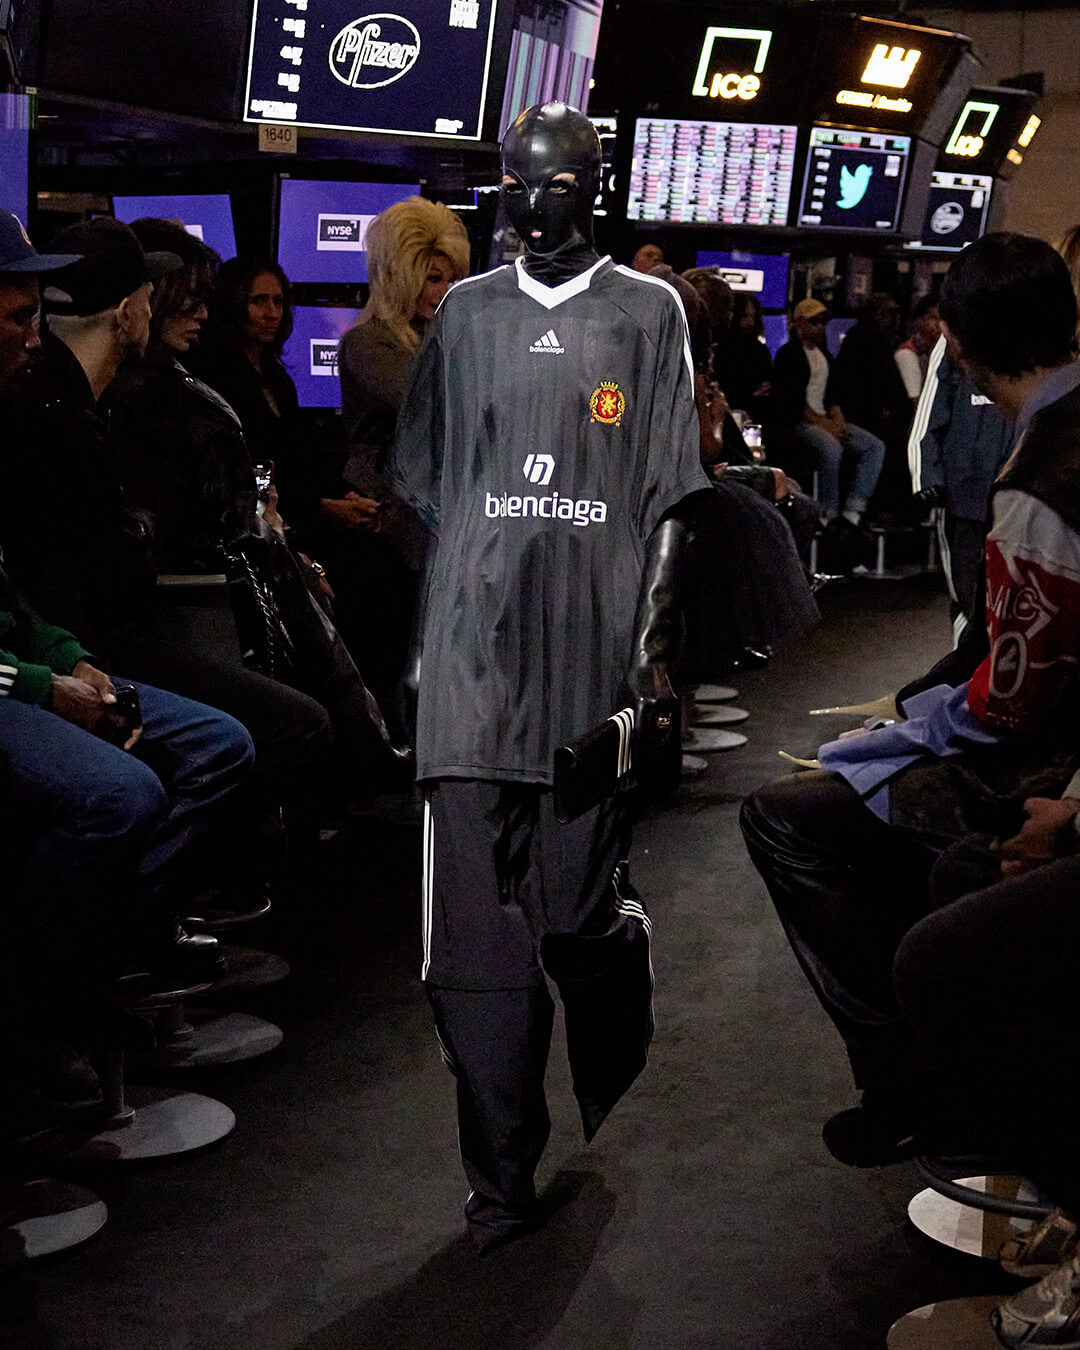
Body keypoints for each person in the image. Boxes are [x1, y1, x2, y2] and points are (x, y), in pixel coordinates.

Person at [389, 102, 710, 1251]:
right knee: (473, 950)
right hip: (473, 670)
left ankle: (614, 958)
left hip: (588, 665)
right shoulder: (467, 315)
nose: (532, 207)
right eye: (515, 185)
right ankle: (500, 1180)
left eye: (557, 186)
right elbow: (429, 481)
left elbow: (672, 495)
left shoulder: (649, 312)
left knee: (574, 915)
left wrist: (651, 654)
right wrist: (442, 624)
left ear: (595, 189)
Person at [740, 233, 1080, 1168]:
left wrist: (901, 729)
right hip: (1052, 743)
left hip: (1044, 765)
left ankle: (914, 1084)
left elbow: (1011, 704)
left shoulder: (1039, 483)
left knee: (789, 815)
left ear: (957, 346)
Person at [335, 199, 470, 712]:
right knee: (392, 661)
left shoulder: (446, 339)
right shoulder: (366, 343)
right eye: (433, 278)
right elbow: (430, 406)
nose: (444, 291)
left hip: (435, 520)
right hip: (387, 525)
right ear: (401, 277)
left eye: (451, 279)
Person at [908, 332, 1014, 636]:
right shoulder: (957, 330)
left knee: (1016, 593)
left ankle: (1001, 660)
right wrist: (924, 473)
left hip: (1016, 491)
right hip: (964, 492)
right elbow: (930, 406)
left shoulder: (1035, 328)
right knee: (966, 594)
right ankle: (968, 661)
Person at [771, 297, 885, 531]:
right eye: (815, 322)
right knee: (831, 448)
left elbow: (833, 395)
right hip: (800, 422)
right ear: (799, 323)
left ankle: (854, 508)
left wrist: (838, 420)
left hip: (823, 418)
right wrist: (825, 424)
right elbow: (793, 402)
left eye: (824, 322)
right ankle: (827, 513)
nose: (820, 327)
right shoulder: (788, 355)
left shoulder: (825, 356)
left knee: (874, 446)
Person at [827, 293, 912, 510]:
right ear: (878, 314)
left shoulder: (860, 338)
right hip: (865, 415)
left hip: (865, 411)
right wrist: (901, 410)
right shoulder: (872, 341)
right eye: (889, 313)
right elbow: (883, 384)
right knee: (899, 443)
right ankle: (883, 508)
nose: (893, 319)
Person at [894, 295, 941, 403]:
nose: (939, 325)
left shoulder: (938, 352)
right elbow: (916, 401)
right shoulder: (907, 355)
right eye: (934, 318)